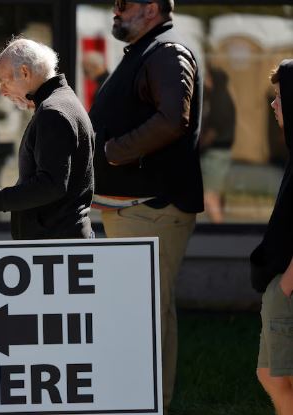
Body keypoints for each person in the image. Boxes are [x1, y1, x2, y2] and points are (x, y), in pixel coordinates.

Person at [88, 0, 203, 412]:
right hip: (132, 208)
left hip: (152, 207)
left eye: (123, 4)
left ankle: (150, 404)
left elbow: (174, 119)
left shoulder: (167, 52)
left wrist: (114, 151)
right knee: (140, 314)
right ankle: (139, 402)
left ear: (151, 8)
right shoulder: (145, 50)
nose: (114, 11)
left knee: (148, 315)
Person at [0, 38, 94, 240]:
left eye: (4, 81)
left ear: (24, 72)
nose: (3, 92)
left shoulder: (53, 111)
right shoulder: (60, 102)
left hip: (56, 243)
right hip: (59, 240)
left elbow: (50, 185)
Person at [251, 59, 293, 415]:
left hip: (290, 286)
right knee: (269, 374)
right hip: (281, 283)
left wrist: (285, 288)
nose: (273, 104)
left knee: (283, 378)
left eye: (280, 97)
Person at [199, 66, 236, 223]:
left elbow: (213, 130)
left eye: (207, 77)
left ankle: (218, 228)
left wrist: (198, 148)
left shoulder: (220, 99)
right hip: (216, 153)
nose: (204, 81)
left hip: (216, 153)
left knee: (209, 196)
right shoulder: (216, 97)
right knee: (213, 195)